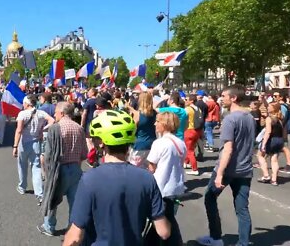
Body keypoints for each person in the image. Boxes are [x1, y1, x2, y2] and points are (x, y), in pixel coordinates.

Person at [63, 110, 171, 246]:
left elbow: (75, 235)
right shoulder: (146, 178)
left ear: (101, 142)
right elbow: (164, 231)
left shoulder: (89, 179)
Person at [197, 85, 255, 246]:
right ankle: (244, 242)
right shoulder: (249, 117)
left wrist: (220, 173)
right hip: (245, 169)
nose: (221, 98)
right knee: (242, 208)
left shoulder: (231, 119)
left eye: (224, 95)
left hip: (228, 168)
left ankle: (216, 238)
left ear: (234, 98)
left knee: (209, 198)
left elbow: (228, 149)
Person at [38, 102, 88, 237]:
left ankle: (49, 226)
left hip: (59, 169)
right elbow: (84, 154)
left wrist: (46, 172)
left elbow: (48, 154)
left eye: (55, 112)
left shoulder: (55, 128)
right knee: (75, 202)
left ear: (62, 113)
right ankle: (72, 228)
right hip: (76, 168)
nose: (54, 114)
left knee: (53, 197)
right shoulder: (79, 128)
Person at [147, 111, 187, 245]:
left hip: (160, 186)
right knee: (167, 217)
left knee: (161, 220)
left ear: (164, 124)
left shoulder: (159, 143)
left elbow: (152, 166)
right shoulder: (180, 143)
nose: (155, 124)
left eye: (157, 121)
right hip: (175, 185)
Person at [13, 95, 55, 205]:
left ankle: (22, 186)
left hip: (24, 142)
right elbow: (52, 120)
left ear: (27, 103)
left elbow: (19, 130)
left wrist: (15, 146)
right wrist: (43, 129)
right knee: (36, 168)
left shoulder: (22, 114)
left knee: (22, 165)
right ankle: (40, 194)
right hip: (36, 141)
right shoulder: (40, 113)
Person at [126, 91, 156, 168]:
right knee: (149, 168)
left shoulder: (137, 114)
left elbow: (133, 130)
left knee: (135, 168)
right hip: (151, 143)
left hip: (139, 144)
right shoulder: (155, 113)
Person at [256, 102, 284, 186]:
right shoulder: (280, 118)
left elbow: (268, 132)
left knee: (260, 155)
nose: (267, 107)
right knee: (274, 160)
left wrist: (263, 144)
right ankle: (274, 180)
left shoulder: (269, 118)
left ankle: (266, 175)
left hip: (271, 140)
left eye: (269, 106)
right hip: (279, 139)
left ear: (273, 109)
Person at [184, 94, 202, 176]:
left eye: (186, 99)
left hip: (189, 130)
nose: (185, 101)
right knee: (191, 148)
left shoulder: (187, 109)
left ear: (191, 101)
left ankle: (195, 169)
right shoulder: (198, 109)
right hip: (197, 131)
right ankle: (186, 162)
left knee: (189, 151)